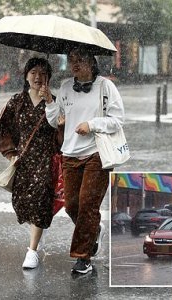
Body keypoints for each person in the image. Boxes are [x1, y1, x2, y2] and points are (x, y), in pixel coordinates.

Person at [44, 46, 124, 274]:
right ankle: (93, 230)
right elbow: (55, 121)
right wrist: (50, 101)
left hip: (96, 154)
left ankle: (83, 258)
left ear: (91, 62)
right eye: (71, 59)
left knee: (88, 205)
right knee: (72, 206)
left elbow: (117, 120)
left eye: (80, 59)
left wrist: (92, 124)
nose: (75, 64)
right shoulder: (66, 87)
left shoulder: (106, 87)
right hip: (69, 154)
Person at [0, 57, 59, 269]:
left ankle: (32, 250)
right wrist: (11, 153)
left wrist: (50, 102)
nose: (38, 77)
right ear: (26, 75)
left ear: (49, 77)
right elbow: (5, 128)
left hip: (45, 159)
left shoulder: (55, 102)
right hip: (23, 160)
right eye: (33, 72)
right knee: (22, 203)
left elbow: (60, 132)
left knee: (40, 200)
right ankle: (38, 231)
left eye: (42, 73)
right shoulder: (16, 101)